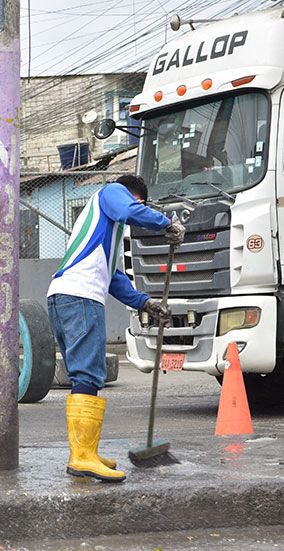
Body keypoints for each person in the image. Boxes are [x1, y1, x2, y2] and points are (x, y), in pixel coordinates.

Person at [47, 174, 184, 483]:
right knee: (89, 374)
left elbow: (114, 277)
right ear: (137, 197)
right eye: (142, 205)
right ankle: (82, 456)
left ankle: (85, 452)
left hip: (65, 296)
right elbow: (130, 211)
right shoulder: (112, 193)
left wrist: (145, 303)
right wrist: (166, 224)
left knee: (83, 375)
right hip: (80, 297)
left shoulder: (102, 228)